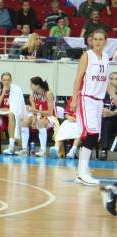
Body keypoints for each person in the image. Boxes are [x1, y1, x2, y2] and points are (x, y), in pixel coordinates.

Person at [70, 29, 116, 186]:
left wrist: (114, 96)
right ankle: (82, 172)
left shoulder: (105, 57)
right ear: (91, 40)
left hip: (99, 101)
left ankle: (83, 169)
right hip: (86, 99)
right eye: (95, 39)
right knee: (91, 134)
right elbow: (78, 78)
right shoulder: (86, 56)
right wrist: (74, 99)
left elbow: (105, 82)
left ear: (105, 41)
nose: (97, 41)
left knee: (95, 136)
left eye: (100, 39)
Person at [17, 77, 57, 157]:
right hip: (39, 116)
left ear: (38, 85)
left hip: (51, 117)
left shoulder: (48, 93)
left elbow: (50, 112)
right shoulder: (32, 95)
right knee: (24, 122)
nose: (30, 86)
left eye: (31, 85)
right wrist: (34, 118)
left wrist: (35, 112)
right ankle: (24, 149)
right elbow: (34, 111)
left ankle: (43, 150)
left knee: (40, 122)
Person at [100, 72, 117, 158]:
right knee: (106, 121)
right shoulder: (102, 93)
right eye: (116, 79)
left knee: (107, 119)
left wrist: (113, 113)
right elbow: (97, 105)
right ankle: (104, 149)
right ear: (110, 80)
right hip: (106, 119)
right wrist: (102, 110)